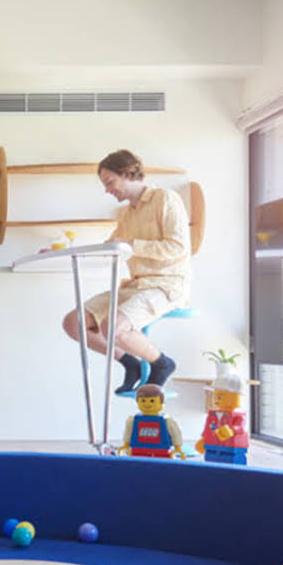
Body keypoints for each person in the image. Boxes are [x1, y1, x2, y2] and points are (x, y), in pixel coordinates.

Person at [62, 149, 191, 392]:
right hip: (135, 285)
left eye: (110, 182)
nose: (107, 190)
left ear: (128, 174)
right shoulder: (127, 214)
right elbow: (113, 246)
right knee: (73, 323)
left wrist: (132, 245)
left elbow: (177, 247)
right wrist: (68, 249)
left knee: (112, 327)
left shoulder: (166, 199)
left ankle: (162, 363)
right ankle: (129, 362)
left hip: (167, 284)